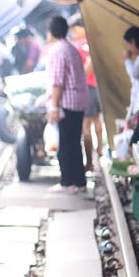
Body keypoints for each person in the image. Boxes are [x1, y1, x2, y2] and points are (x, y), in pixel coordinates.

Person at [45, 16, 88, 192]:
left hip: (67, 104)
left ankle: (68, 182)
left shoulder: (57, 50)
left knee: (65, 145)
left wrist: (54, 106)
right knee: (74, 144)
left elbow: (57, 82)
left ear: (50, 32)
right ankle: (79, 182)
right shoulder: (71, 48)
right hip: (78, 102)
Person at [69, 15, 103, 172]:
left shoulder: (83, 43)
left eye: (74, 30)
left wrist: (79, 81)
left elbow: (89, 62)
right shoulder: (91, 42)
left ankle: (89, 163)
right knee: (97, 121)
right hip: (96, 86)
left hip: (88, 88)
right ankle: (100, 150)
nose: (74, 33)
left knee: (85, 127)